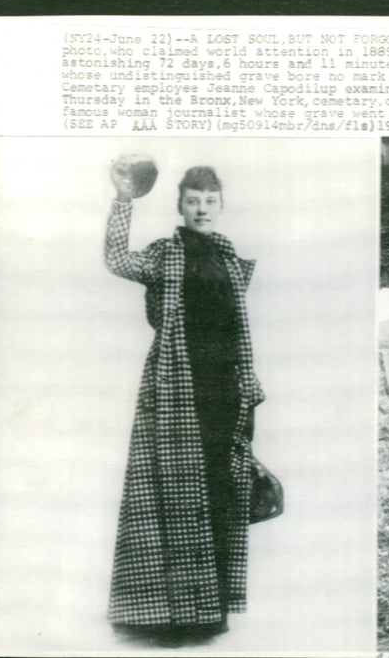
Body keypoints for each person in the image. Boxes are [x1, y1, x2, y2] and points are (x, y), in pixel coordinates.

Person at [104, 158, 265, 645]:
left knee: (218, 494)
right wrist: (123, 200)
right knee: (173, 497)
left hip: (224, 389)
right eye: (193, 201)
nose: (202, 209)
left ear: (221, 206)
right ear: (180, 206)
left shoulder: (229, 256)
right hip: (176, 386)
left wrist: (246, 390)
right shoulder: (163, 254)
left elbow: (237, 330)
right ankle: (170, 615)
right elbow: (116, 259)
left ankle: (210, 610)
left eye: (210, 201)